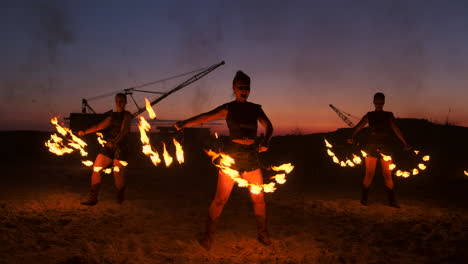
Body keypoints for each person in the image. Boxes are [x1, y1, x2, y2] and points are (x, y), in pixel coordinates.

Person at [174, 71, 274, 250]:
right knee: (220, 199)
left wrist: (266, 141)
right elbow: (205, 116)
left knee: (259, 199)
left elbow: (269, 126)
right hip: (232, 156)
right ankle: (208, 236)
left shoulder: (255, 109)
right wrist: (185, 123)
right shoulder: (229, 108)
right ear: (234, 88)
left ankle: (263, 233)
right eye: (241, 87)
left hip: (251, 156)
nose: (244, 91)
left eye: (247, 88)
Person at [348, 92, 409, 208]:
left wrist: (405, 142)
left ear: (384, 102)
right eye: (377, 101)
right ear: (374, 102)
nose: (379, 104)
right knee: (369, 173)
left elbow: (396, 129)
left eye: (381, 101)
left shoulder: (388, 115)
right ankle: (364, 199)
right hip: (371, 146)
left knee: (387, 174)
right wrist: (351, 136)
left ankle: (392, 201)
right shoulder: (369, 115)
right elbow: (359, 126)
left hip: (386, 146)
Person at [78, 93, 132, 206]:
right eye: (117, 101)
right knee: (96, 168)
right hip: (109, 146)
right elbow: (98, 126)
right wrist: (85, 131)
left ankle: (120, 194)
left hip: (121, 147)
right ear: (115, 102)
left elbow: (124, 130)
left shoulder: (127, 115)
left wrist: (115, 142)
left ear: (126, 102)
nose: (119, 103)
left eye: (122, 101)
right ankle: (93, 198)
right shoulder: (112, 116)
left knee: (117, 173)